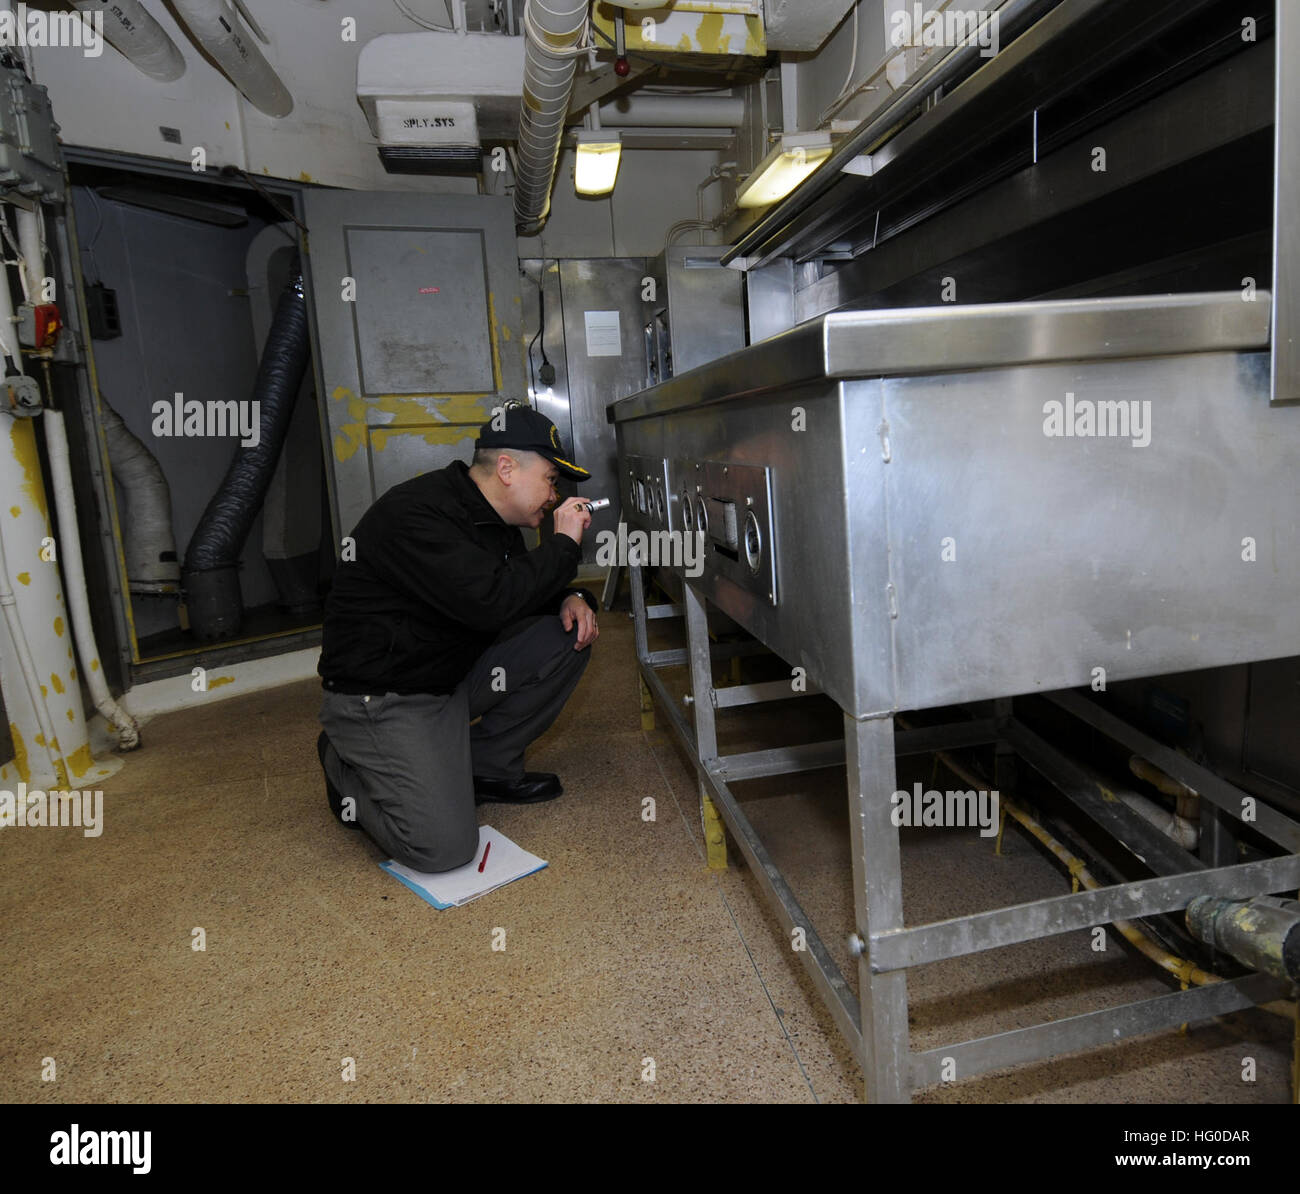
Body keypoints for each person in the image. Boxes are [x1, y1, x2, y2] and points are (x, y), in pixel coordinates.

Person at [315, 402, 599, 872]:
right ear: (507, 468)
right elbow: (489, 602)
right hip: (386, 697)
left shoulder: (496, 519)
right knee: (443, 848)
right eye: (551, 479)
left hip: (447, 675)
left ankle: (484, 768)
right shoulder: (419, 515)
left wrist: (569, 595)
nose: (555, 495)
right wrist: (564, 545)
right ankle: (343, 763)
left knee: (567, 633)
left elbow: (512, 587)